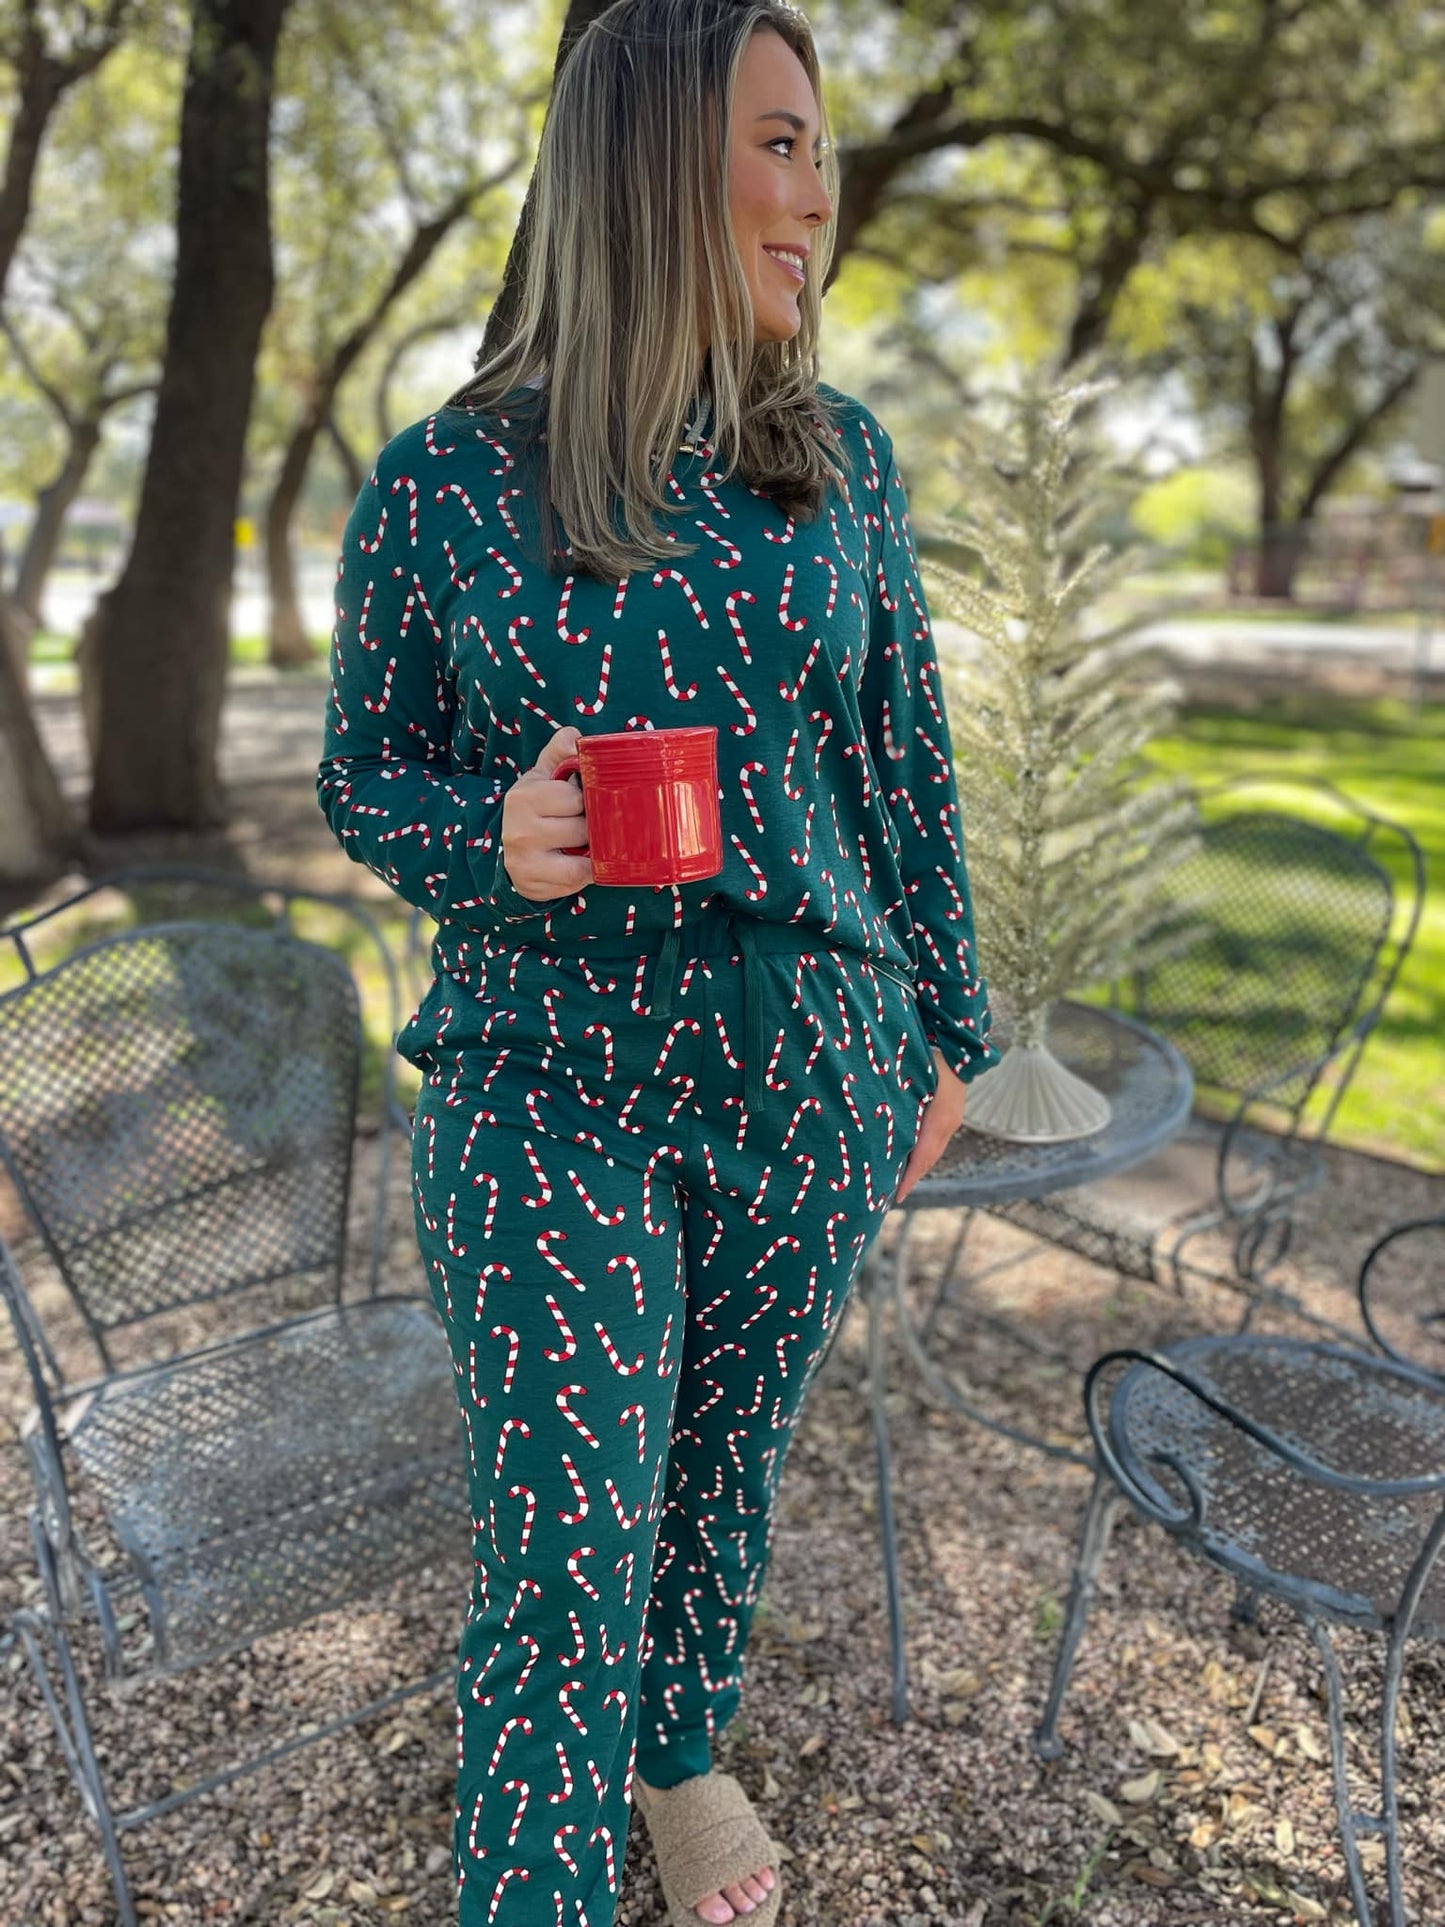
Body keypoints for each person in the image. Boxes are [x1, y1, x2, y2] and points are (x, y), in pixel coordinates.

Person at [317, 2, 997, 1921]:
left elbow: (901, 764)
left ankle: (680, 1748)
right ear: (641, 164)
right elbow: (362, 775)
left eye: (820, 148)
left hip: (818, 1073)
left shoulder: (836, 459)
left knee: (719, 1475)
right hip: (555, 1085)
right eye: (777, 143)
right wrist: (492, 836)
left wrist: (946, 1026)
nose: (818, 193)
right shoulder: (445, 483)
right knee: (567, 1550)